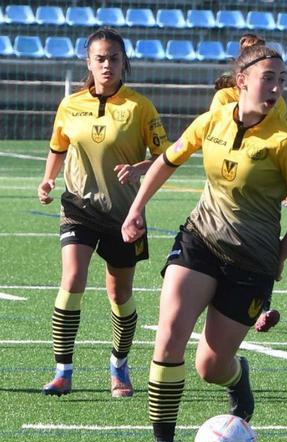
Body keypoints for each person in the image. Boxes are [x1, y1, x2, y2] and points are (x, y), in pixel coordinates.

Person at [121, 44, 287, 442]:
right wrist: (137, 208)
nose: (277, 87)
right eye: (269, 77)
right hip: (200, 240)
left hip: (251, 262)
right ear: (242, 79)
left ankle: (236, 377)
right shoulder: (212, 119)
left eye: (282, 80)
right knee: (169, 337)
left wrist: (280, 256)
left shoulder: (285, 142)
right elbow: (167, 159)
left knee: (209, 367)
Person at [38, 27, 169, 398]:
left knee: (119, 292)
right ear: (88, 62)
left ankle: (119, 367)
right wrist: (48, 180)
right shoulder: (70, 104)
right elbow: (57, 147)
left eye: (113, 58)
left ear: (123, 62)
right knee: (73, 278)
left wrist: (139, 168)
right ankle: (63, 371)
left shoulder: (139, 107)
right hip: (78, 206)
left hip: (124, 215)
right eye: (100, 59)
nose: (107, 65)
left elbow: (166, 157)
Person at [212, 33, 287, 332]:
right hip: (228, 185)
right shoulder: (223, 99)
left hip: (263, 184)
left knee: (265, 245)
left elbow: (284, 138)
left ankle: (261, 307)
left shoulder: (276, 101)